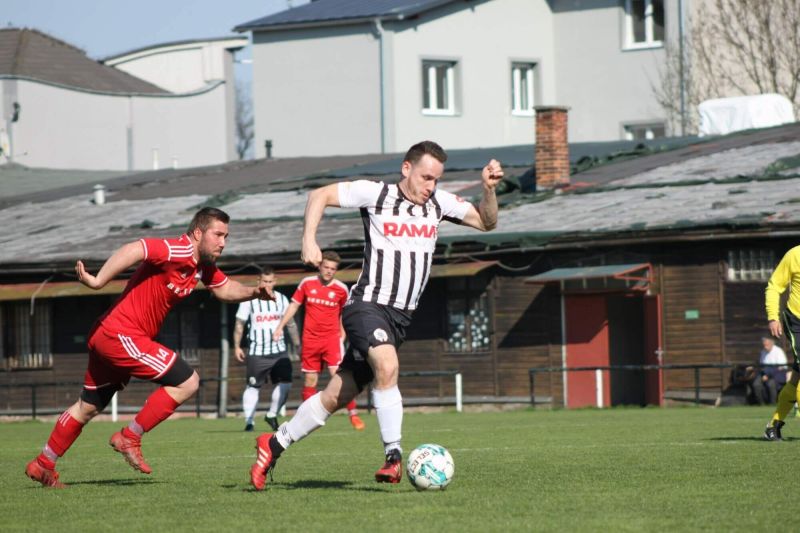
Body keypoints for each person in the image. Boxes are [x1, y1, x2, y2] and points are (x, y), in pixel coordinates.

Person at [249, 140, 503, 490]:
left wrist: (488, 190)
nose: (431, 186)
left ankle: (273, 443)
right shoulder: (375, 194)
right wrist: (309, 238)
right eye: (426, 177)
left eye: (436, 179)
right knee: (388, 366)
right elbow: (319, 195)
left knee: (337, 394)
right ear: (406, 168)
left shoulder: (438, 203)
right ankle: (394, 456)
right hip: (367, 305)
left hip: (399, 319)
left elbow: (487, 222)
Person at [25, 207, 274, 488]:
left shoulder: (202, 265)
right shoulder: (177, 249)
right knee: (188, 382)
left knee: (89, 407)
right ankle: (129, 437)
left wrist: (254, 292)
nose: (223, 242)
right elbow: (136, 248)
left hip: (109, 334)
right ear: (197, 233)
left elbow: (225, 288)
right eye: (218, 235)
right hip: (121, 334)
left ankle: (43, 464)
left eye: (226, 236)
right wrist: (98, 281)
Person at [271, 251, 365, 431]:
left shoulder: (341, 289)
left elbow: (345, 314)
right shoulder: (307, 283)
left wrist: (342, 335)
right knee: (310, 380)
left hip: (331, 340)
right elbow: (294, 305)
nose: (329, 271)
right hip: (311, 340)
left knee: (339, 376)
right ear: (320, 266)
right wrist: (280, 327)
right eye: (326, 267)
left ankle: (353, 414)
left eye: (333, 269)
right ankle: (307, 419)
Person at [234, 266, 300, 432]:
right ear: (259, 281)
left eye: (270, 282)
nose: (268, 285)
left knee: (286, 383)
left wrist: (298, 345)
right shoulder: (250, 300)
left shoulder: (282, 299)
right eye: (265, 281)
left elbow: (291, 324)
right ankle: (249, 421)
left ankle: (271, 414)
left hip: (279, 351)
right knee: (253, 386)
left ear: (275, 282)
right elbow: (239, 324)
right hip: (257, 352)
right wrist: (236, 346)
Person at [764, 245, 800, 440]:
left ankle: (774, 425)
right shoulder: (794, 255)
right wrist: (772, 316)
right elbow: (774, 286)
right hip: (796, 321)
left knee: (795, 378)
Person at [747, 336, 788, 405]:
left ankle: (772, 403)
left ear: (771, 344)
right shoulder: (763, 352)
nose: (765, 347)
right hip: (764, 373)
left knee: (771, 384)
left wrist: (768, 375)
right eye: (764, 345)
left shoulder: (778, 351)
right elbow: (761, 365)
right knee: (756, 384)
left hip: (776, 374)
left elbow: (781, 367)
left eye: (766, 345)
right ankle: (761, 403)